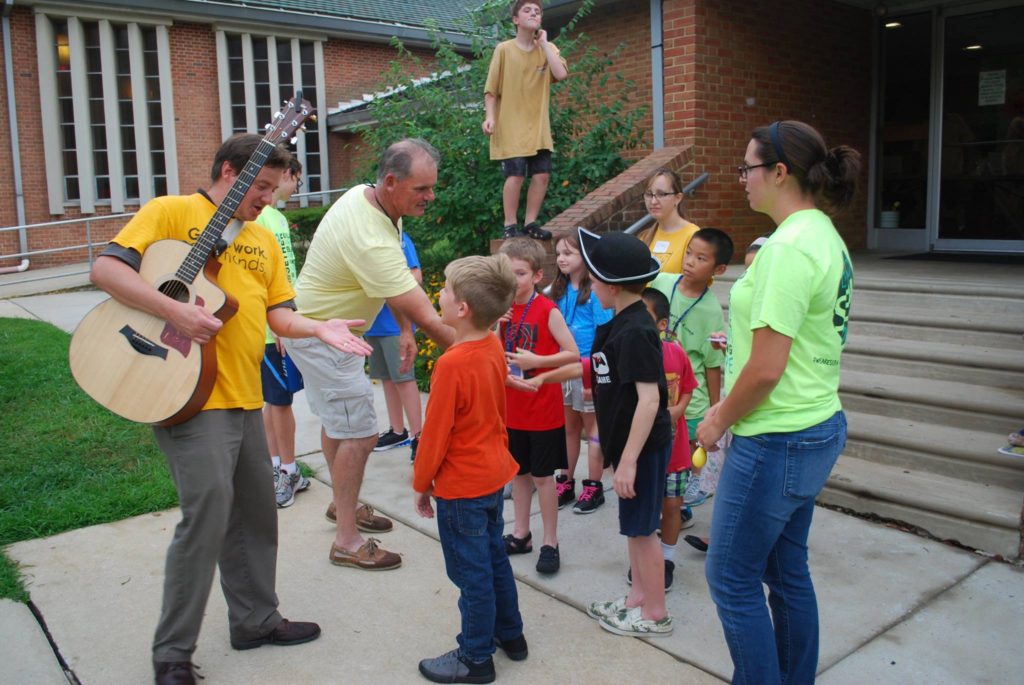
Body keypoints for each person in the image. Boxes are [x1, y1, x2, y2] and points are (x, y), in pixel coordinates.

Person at [89, 134, 371, 684]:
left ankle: (256, 621)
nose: (267, 197)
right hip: (186, 395)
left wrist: (318, 327)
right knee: (209, 516)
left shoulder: (264, 241)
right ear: (228, 172)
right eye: (259, 186)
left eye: (273, 188)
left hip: (245, 396)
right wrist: (177, 310)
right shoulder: (171, 213)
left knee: (256, 517)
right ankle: (172, 654)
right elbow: (107, 271)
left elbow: (280, 315)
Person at [698, 120, 859, 684]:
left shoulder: (788, 248)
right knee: (786, 571)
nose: (741, 179)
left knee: (730, 578)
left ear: (779, 172)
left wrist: (717, 417)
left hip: (777, 436)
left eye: (747, 168)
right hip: (814, 425)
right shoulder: (824, 236)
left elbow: (767, 369)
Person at [284, 138, 456, 572]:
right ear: (392, 182)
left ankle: (343, 506)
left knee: (337, 424)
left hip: (325, 334)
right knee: (360, 434)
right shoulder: (370, 236)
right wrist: (481, 352)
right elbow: (428, 315)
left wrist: (402, 330)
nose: (430, 197)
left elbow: (390, 284)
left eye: (432, 187)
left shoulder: (368, 198)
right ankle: (347, 539)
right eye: (422, 189)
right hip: (325, 341)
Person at [412, 254, 526, 684]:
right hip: (493, 474)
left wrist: (422, 484)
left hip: (461, 486)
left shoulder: (451, 364)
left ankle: (476, 656)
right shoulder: (492, 344)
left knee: (470, 573)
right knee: (494, 558)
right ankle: (511, 635)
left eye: (443, 290)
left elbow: (435, 435)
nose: (437, 295)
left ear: (462, 309)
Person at [575, 228, 674, 638]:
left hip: (643, 449)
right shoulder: (621, 321)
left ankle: (655, 613)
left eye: (593, 278)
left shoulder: (636, 330)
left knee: (642, 530)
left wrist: (629, 460)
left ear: (611, 285)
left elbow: (650, 401)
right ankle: (636, 598)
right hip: (629, 446)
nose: (590, 284)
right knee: (633, 527)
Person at [497, 237, 578, 575]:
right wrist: (492, 328)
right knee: (518, 473)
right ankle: (521, 533)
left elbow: (573, 353)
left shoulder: (547, 309)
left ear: (537, 276)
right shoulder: (497, 308)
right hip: (511, 407)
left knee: (544, 478)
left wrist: (539, 359)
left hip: (542, 409)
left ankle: (550, 541)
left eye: (519, 273)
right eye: (506, 272)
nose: (512, 279)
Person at [651, 228, 732, 508]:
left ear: (718, 269)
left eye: (700, 258)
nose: (689, 262)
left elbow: (712, 365)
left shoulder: (710, 310)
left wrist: (714, 407)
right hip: (655, 390)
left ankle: (682, 504)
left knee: (684, 458)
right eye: (688, 253)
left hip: (690, 401)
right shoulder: (661, 282)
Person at [623, 288, 696, 592]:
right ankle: (645, 556)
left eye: (645, 317)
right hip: (645, 449)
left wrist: (678, 409)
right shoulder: (628, 353)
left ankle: (666, 558)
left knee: (672, 505)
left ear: (662, 325)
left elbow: (689, 386)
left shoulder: (676, 353)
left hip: (675, 450)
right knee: (646, 507)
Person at [483, 0, 568, 241]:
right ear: (516, 20)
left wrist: (543, 43)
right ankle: (510, 225)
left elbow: (560, 74)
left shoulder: (547, 48)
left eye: (537, 11)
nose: (533, 14)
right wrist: (490, 118)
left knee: (542, 175)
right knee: (516, 175)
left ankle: (530, 222)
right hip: (510, 125)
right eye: (527, 10)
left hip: (538, 126)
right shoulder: (504, 50)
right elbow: (491, 91)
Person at [256, 157, 309, 508]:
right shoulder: (261, 218)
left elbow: (283, 275)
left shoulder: (276, 218)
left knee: (273, 401)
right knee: (279, 402)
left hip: (280, 323)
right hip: (270, 330)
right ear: (286, 176)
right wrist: (278, 323)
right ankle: (287, 470)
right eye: (296, 182)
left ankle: (277, 466)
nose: (295, 189)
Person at [546, 231, 612, 513]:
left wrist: (594, 374)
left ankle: (594, 486)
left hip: (588, 369)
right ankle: (566, 480)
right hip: (564, 368)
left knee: (593, 429)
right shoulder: (556, 291)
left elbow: (604, 334)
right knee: (568, 428)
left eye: (568, 253)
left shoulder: (595, 291)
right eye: (559, 253)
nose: (561, 258)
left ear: (585, 257)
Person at [365, 233, 424, 461]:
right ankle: (398, 431)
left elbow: (415, 275)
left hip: (394, 324)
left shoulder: (398, 237)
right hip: (373, 323)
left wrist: (384, 284)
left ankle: (419, 437)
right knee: (387, 378)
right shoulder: (362, 237)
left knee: (403, 378)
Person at [636, 168, 701, 273]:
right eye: (649, 194)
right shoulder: (644, 237)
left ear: (678, 198)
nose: (653, 201)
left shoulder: (694, 236)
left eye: (661, 194)